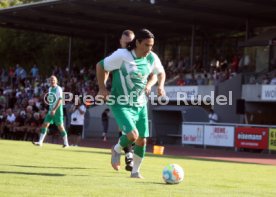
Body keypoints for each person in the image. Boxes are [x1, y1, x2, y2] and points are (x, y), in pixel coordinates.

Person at [96, 28, 166, 178]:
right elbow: (101, 66)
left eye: (151, 45)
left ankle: (135, 172)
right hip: (121, 102)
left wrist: (160, 85)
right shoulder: (122, 55)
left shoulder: (152, 57)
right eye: (147, 45)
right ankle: (116, 149)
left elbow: (160, 72)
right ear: (138, 42)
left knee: (142, 140)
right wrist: (102, 88)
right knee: (133, 135)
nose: (149, 48)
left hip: (140, 104)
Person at [33, 75, 69, 147]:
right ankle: (40, 142)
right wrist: (48, 109)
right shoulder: (49, 89)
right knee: (45, 124)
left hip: (58, 111)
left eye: (53, 80)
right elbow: (51, 100)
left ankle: (66, 143)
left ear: (56, 81)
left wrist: (54, 110)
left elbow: (60, 100)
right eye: (51, 80)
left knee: (60, 127)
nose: (52, 81)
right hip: (50, 110)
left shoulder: (59, 89)